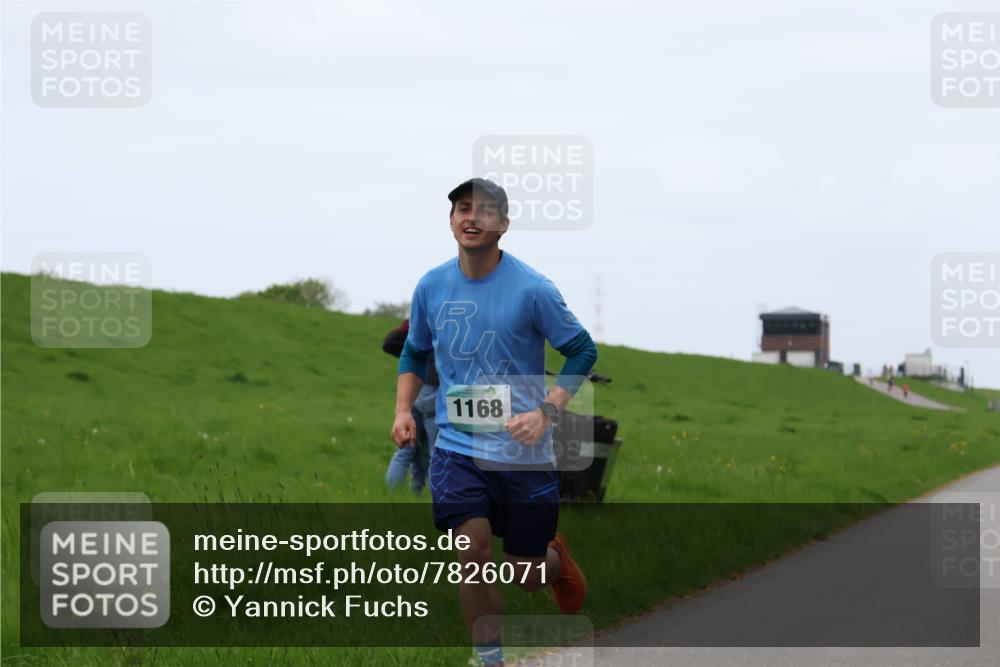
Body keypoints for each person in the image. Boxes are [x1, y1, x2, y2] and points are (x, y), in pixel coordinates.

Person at [390, 178, 597, 667]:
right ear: (451, 220)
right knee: (472, 551)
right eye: (462, 209)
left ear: (503, 225)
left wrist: (547, 412)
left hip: (524, 454)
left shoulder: (533, 289)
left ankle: (553, 562)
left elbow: (582, 350)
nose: (471, 218)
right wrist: (403, 410)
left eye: (484, 211)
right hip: (457, 448)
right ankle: (489, 660)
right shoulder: (431, 285)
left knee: (523, 572)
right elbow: (414, 351)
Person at [383, 319, 438, 493]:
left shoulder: (419, 322)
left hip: (413, 390)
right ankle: (436, 501)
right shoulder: (443, 320)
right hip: (435, 388)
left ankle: (398, 495)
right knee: (436, 451)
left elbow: (390, 343)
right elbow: (390, 343)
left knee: (407, 449)